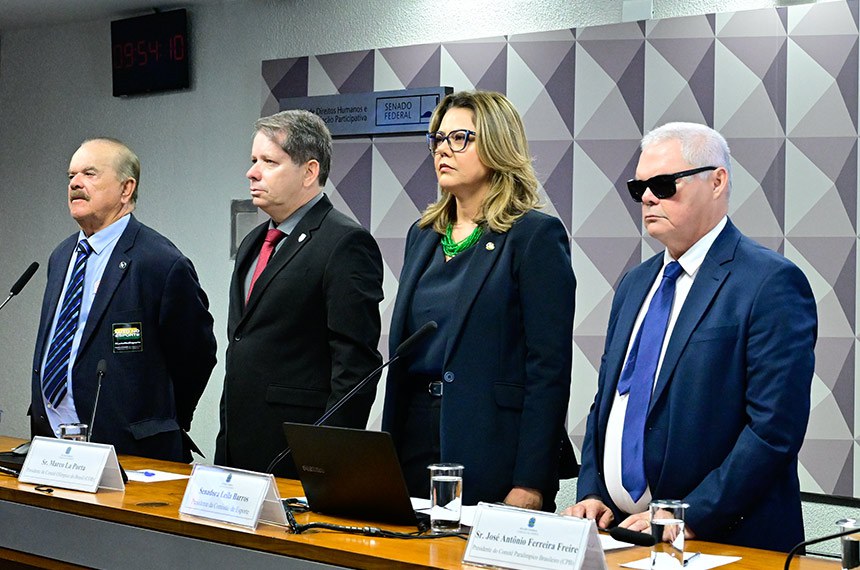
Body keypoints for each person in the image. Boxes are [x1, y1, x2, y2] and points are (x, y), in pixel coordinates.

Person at [563, 122, 817, 552]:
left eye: (663, 184)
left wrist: (690, 514)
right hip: (627, 537)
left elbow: (774, 428)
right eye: (638, 186)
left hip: (725, 542)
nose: (647, 197)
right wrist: (593, 492)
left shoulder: (769, 282)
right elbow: (609, 403)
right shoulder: (634, 284)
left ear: (717, 181)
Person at [381, 91, 577, 510]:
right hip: (414, 436)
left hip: (491, 445)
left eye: (459, 139)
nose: (442, 150)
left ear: (496, 145)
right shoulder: (423, 235)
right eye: (437, 138)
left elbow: (549, 370)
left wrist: (531, 480)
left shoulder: (533, 237)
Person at [216, 110, 384, 477]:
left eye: (269, 162)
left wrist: (325, 458)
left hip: (299, 456)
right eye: (253, 161)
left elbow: (355, 367)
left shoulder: (345, 243)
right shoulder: (253, 243)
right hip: (238, 453)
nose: (252, 172)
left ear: (310, 172)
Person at [30, 138, 217, 462]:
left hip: (131, 450)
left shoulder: (159, 262)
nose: (75, 183)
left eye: (89, 174)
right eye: (71, 176)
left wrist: (161, 420)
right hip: (53, 447)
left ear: (126, 189)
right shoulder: (61, 256)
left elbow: (196, 356)